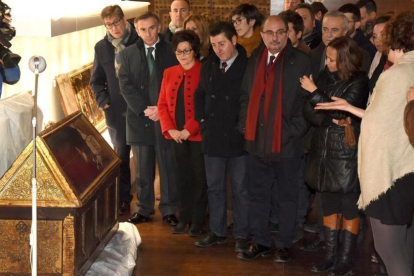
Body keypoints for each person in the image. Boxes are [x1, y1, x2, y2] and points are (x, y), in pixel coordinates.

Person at [315, 12, 414, 276]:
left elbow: (377, 127)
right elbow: (387, 118)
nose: (378, 43)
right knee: (405, 247)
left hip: (391, 175)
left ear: (396, 40)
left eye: (383, 38)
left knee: (390, 251)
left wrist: (353, 113)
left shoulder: (396, 74)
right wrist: (351, 107)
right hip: (407, 171)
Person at [237, 15, 311, 262]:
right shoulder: (254, 59)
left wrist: (290, 130)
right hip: (257, 142)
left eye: (281, 32)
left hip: (287, 144)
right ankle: (260, 242)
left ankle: (283, 244)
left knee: (287, 197)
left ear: (288, 34)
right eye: (270, 33)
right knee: (257, 194)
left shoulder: (302, 61)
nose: (275, 37)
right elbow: (246, 95)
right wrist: (244, 126)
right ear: (262, 35)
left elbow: (308, 105)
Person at [301, 36, 369, 275]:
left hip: (346, 153)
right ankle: (330, 256)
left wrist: (315, 93)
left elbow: (345, 108)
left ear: (344, 60)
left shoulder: (360, 80)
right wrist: (332, 120)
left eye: (331, 59)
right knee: (327, 205)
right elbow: (308, 109)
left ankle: (346, 259)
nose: (327, 63)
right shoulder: (324, 77)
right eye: (327, 58)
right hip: (323, 150)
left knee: (349, 207)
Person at [117, 11, 179, 226]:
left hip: (167, 118)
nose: (148, 33)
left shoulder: (172, 51)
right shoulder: (126, 54)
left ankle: (170, 208)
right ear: (136, 30)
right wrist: (145, 109)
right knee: (143, 169)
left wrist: (161, 110)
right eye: (142, 29)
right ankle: (144, 209)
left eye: (152, 28)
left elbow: (176, 84)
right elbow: (125, 85)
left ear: (159, 27)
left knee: (168, 166)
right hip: (139, 119)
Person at [193, 21, 249, 253]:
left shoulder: (248, 65)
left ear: (234, 40)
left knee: (241, 189)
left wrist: (242, 127)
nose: (218, 49)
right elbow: (200, 95)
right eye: (214, 44)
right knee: (214, 187)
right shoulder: (208, 65)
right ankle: (217, 231)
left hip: (238, 137)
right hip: (213, 136)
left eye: (222, 43)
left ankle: (242, 235)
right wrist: (202, 121)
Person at [157, 30, 207, 236]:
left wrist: (188, 130)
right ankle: (183, 217)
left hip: (197, 136)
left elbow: (205, 107)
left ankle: (197, 221)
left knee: (198, 179)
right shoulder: (169, 73)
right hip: (175, 136)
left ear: (195, 51)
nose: (183, 55)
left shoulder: (205, 71)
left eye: (187, 51)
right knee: (181, 178)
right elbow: (162, 105)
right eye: (179, 52)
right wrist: (171, 129)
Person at [90, 5, 138, 215]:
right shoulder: (101, 47)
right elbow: (96, 80)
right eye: (108, 25)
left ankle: (148, 203)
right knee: (120, 158)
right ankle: (123, 199)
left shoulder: (139, 40)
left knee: (146, 157)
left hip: (139, 109)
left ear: (124, 19)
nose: (113, 28)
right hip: (116, 113)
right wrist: (104, 101)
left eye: (116, 22)